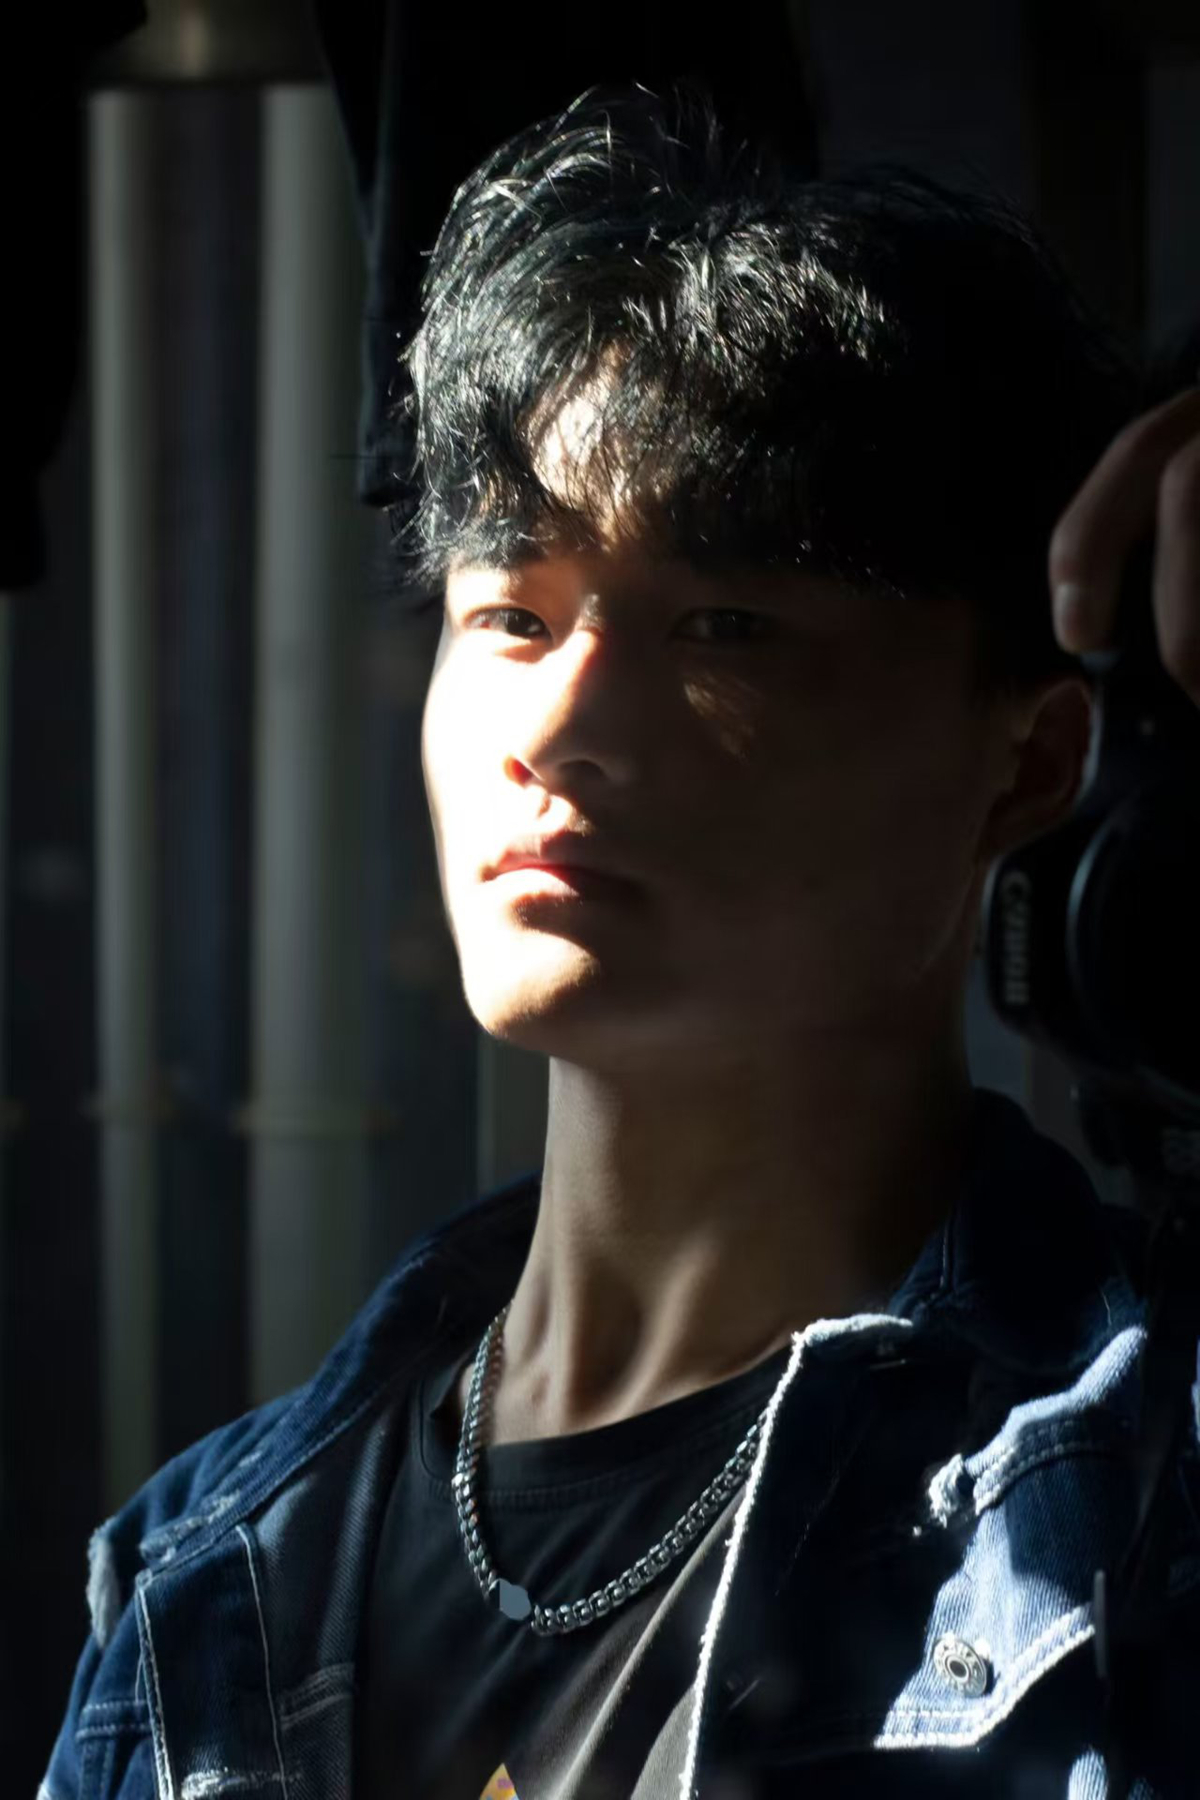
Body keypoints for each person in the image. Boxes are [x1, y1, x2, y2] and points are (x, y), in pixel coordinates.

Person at [41, 83, 1200, 1800]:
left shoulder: (1144, 1475)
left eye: (724, 623)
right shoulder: (212, 1567)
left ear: (1027, 760)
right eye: (511, 615)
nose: (561, 728)